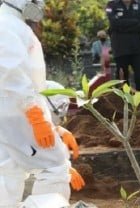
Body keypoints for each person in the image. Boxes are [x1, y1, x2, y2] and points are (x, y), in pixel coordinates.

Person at [0, 0, 82, 206]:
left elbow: (27, 82)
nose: (40, 6)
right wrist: (37, 118)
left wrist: (54, 127)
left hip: (13, 110)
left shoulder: (10, 25)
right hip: (17, 111)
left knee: (8, 170)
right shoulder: (7, 26)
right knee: (54, 169)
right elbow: (13, 76)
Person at [106, 0, 140, 91]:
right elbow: (114, 24)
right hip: (120, 48)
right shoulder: (111, 5)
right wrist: (135, 21)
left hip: (137, 47)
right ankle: (124, 102)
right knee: (122, 79)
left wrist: (122, 27)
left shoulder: (139, 5)